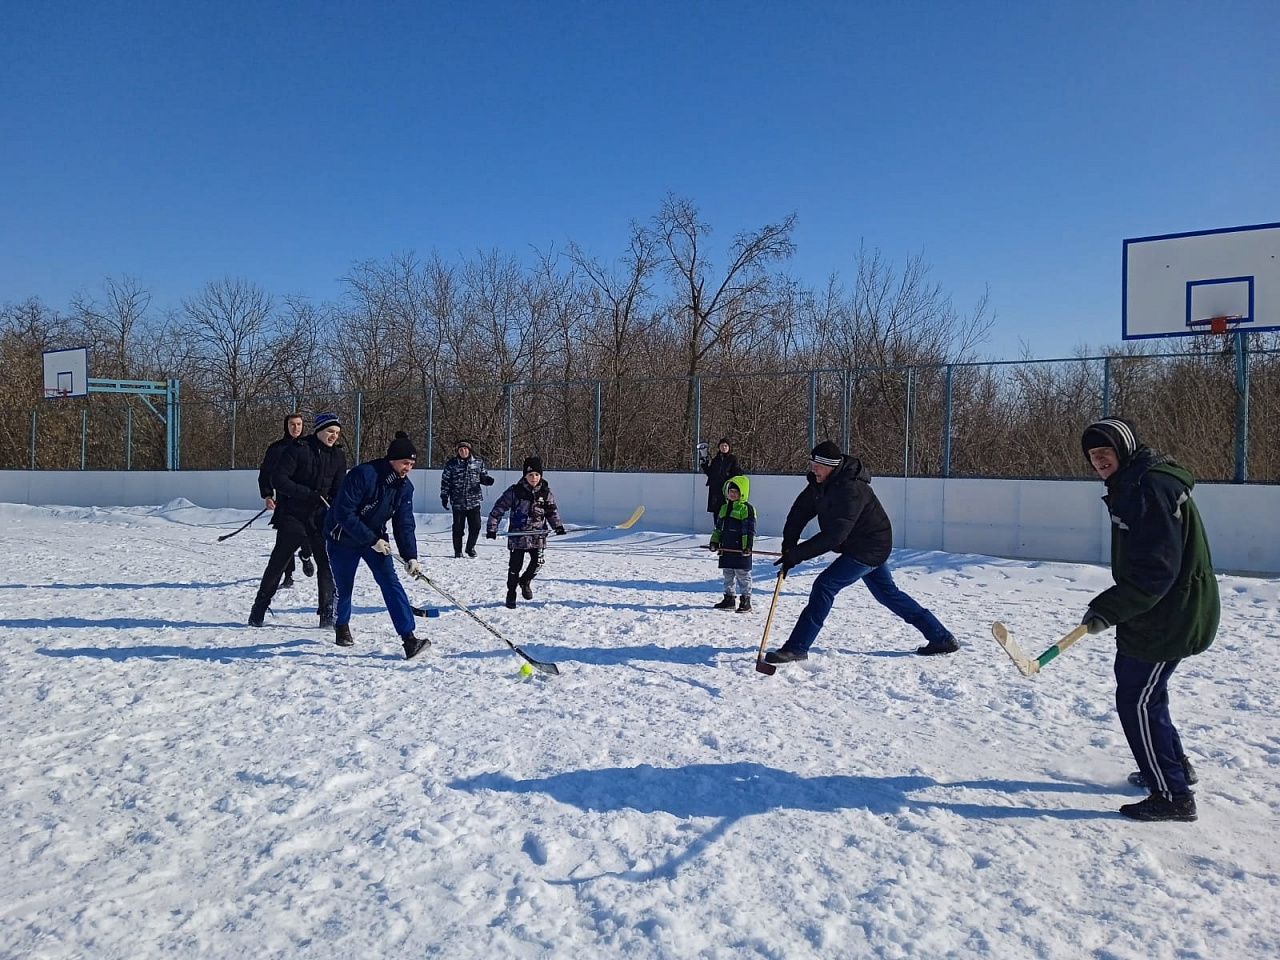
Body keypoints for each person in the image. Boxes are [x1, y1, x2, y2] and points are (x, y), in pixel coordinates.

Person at [1078, 418, 1219, 823]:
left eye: (1105, 451)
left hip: (1167, 614)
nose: (1099, 460)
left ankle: (1172, 794)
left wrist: (1110, 608)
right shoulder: (1136, 482)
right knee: (1146, 693)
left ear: (1124, 450)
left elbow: (1156, 570)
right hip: (1159, 610)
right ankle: (1174, 766)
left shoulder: (1148, 488)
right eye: (1092, 455)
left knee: (1136, 698)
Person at [764, 441, 958, 664]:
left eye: (817, 465)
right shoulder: (819, 484)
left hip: (870, 547)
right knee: (888, 594)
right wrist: (789, 545)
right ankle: (941, 637)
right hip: (857, 545)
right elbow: (799, 512)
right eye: (811, 463)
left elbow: (834, 535)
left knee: (824, 585)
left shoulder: (851, 489)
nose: (812, 469)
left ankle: (797, 647)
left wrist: (797, 555)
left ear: (830, 466)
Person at [324, 431, 429, 659]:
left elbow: (404, 524)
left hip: (376, 539)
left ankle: (409, 639)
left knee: (390, 583)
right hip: (342, 538)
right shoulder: (364, 474)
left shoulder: (405, 488)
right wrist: (371, 540)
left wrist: (411, 556)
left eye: (411, 464)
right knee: (345, 588)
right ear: (392, 459)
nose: (408, 468)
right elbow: (343, 513)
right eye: (405, 462)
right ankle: (341, 625)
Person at [249, 412, 347, 628]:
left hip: (321, 517)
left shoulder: (338, 456)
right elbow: (278, 479)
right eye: (330, 431)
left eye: (337, 433)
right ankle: (259, 607)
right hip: (292, 514)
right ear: (319, 430)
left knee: (326, 563)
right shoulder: (299, 449)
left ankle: (327, 612)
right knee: (278, 562)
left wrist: (337, 506)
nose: (333, 436)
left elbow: (339, 486)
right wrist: (307, 493)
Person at [485, 456, 565, 609]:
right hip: (518, 536)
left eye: (536, 475)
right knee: (515, 567)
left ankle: (525, 581)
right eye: (530, 475)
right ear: (524, 475)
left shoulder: (545, 492)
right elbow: (498, 509)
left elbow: (552, 512)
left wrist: (558, 526)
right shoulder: (515, 491)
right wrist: (492, 528)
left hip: (538, 536)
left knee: (538, 562)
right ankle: (511, 592)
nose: (534, 478)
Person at [256, 412, 314, 588]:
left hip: (307, 501)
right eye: (292, 424)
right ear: (286, 426)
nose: (295, 428)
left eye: (298, 424)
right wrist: (267, 495)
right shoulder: (276, 449)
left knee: (307, 536)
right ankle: (288, 576)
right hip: (285, 503)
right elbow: (265, 474)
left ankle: (305, 555)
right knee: (285, 540)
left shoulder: (310, 446)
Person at [440, 439, 495, 558]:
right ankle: (458, 551)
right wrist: (444, 496)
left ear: (469, 450)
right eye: (461, 449)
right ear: (458, 451)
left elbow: (482, 476)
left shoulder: (478, 462)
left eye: (465, 449)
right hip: (458, 502)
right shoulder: (452, 464)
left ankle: (470, 548)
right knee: (458, 528)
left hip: (474, 501)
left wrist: (487, 480)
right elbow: (446, 482)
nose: (463, 451)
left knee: (476, 526)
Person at [709, 474, 756, 612]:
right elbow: (718, 528)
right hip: (727, 548)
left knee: (743, 575)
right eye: (731, 491)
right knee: (728, 574)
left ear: (742, 493)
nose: (733, 494)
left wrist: (747, 546)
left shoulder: (746, 509)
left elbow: (749, 530)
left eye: (736, 492)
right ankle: (729, 598)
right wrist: (714, 541)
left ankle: (745, 600)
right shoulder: (724, 508)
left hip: (740, 550)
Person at [701, 438, 741, 518]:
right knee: (716, 510)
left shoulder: (732, 459)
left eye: (726, 446)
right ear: (719, 447)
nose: (724, 447)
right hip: (715, 488)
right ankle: (717, 528)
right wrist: (704, 462)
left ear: (729, 447)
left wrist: (732, 485)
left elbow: (737, 473)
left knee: (727, 509)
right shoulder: (716, 460)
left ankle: (726, 528)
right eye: (722, 445)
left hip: (726, 489)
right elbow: (710, 473)